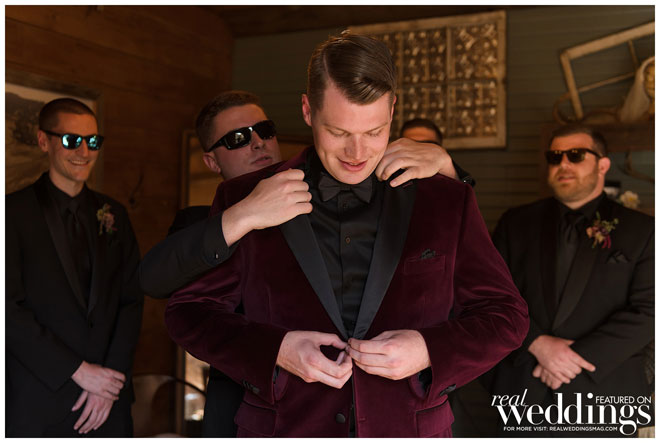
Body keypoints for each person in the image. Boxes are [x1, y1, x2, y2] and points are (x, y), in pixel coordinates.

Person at [164, 31, 528, 437]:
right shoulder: (243, 198)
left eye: (374, 132)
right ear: (307, 110)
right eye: (338, 133)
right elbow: (188, 313)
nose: (357, 154)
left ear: (393, 109)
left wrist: (428, 351)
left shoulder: (447, 199)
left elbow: (506, 317)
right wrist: (275, 351)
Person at [139, 90, 475, 437]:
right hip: (245, 411)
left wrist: (449, 171)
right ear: (211, 162)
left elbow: (451, 250)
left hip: (382, 411)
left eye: (264, 130)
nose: (257, 143)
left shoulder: (336, 193)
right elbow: (153, 280)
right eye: (238, 138)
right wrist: (243, 215)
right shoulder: (202, 222)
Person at [487, 125, 654, 437]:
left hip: (608, 397)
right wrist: (538, 344)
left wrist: (573, 358)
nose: (563, 164)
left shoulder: (643, 230)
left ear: (603, 165)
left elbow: (649, 311)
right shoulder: (516, 223)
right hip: (525, 392)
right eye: (555, 157)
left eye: (575, 155)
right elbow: (493, 296)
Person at [6, 98, 143, 437]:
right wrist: (78, 370)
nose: (84, 151)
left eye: (93, 141)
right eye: (71, 140)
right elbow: (6, 308)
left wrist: (108, 382)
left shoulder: (114, 214)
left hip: (109, 402)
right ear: (44, 141)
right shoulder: (11, 214)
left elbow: (131, 300)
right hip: (38, 400)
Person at [399, 117, 475, 186]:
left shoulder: (448, 177)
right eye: (411, 145)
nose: (420, 151)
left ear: (441, 150)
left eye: (428, 145)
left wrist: (449, 170)